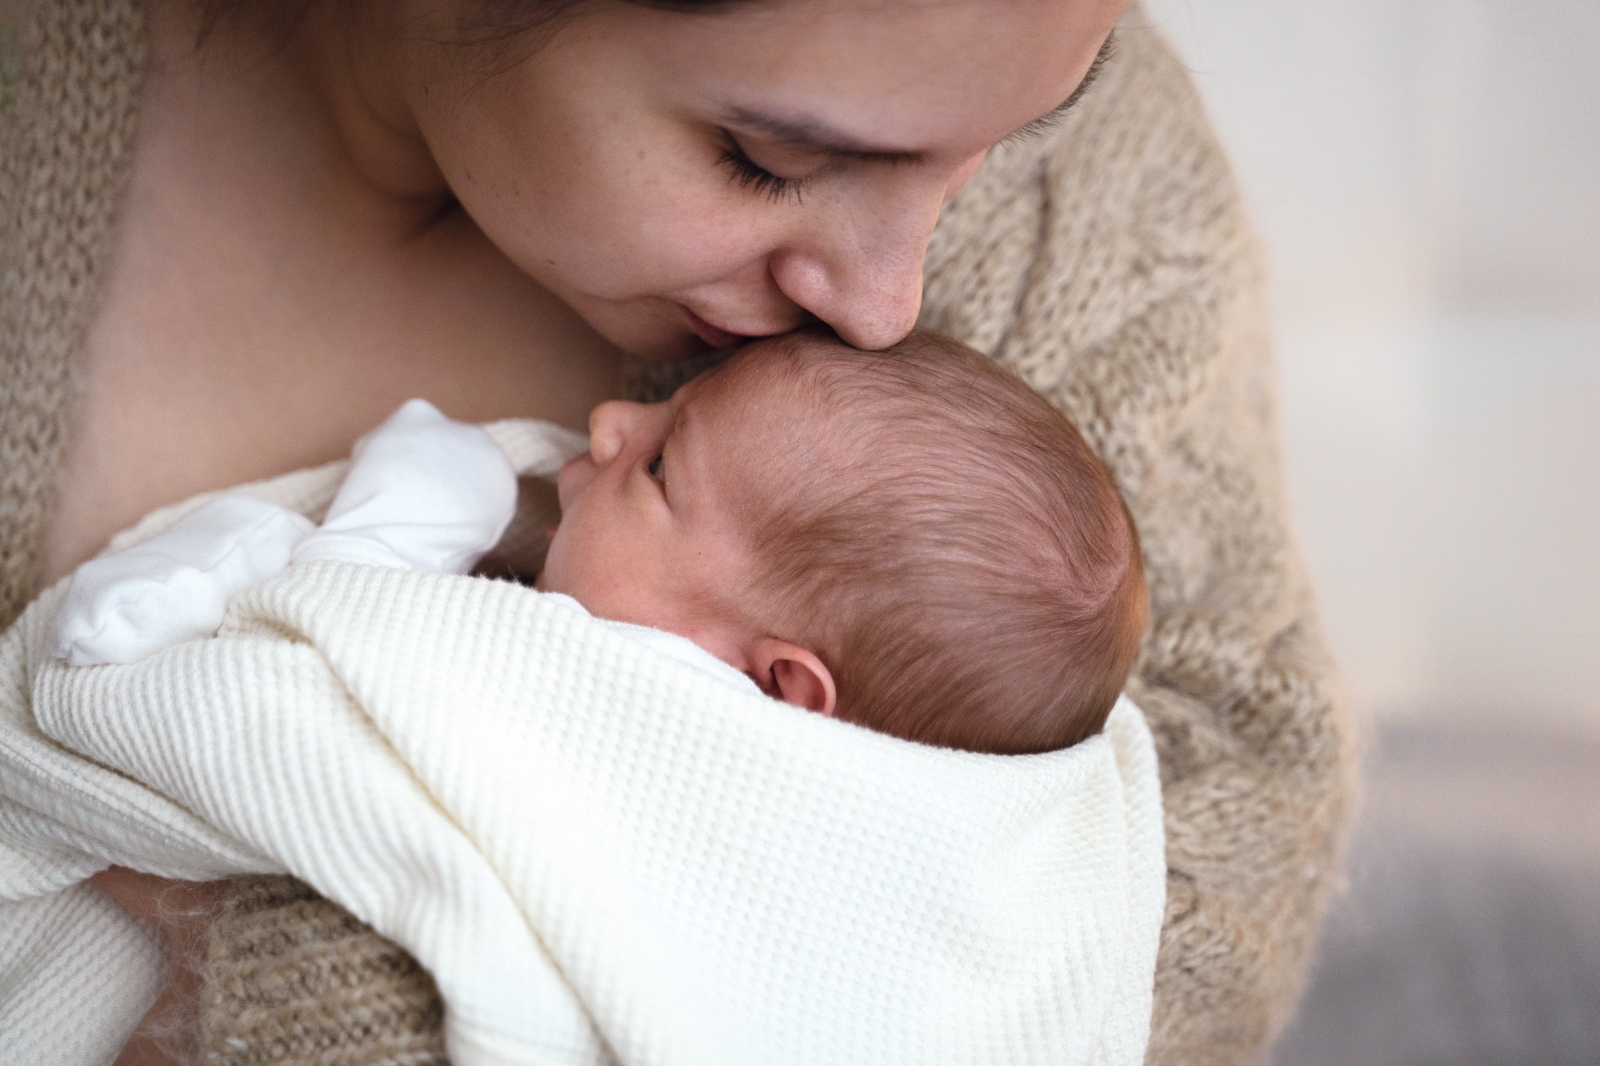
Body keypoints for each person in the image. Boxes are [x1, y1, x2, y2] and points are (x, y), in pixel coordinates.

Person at [0, 0, 1354, 1063]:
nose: (890, 305)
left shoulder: (1080, 166)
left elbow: (1221, 829)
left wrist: (345, 994)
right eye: (771, 158)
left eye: (1007, 144)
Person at [57, 329, 1148, 755]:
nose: (614, 424)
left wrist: (422, 512)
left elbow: (329, 700)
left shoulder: (655, 726)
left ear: (780, 685)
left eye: (662, 466)